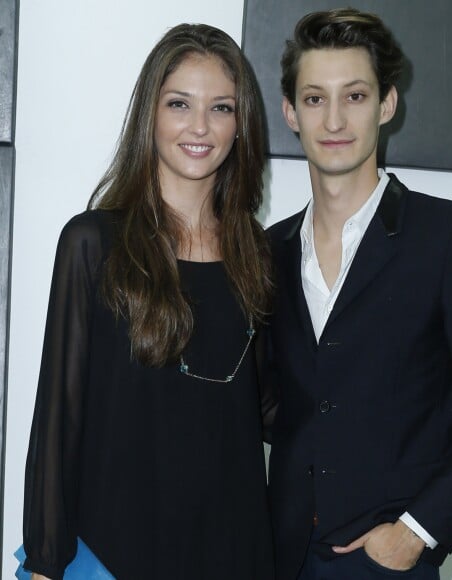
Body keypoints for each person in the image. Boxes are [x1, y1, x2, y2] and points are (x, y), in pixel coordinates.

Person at [265, 8, 452, 580]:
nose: (335, 118)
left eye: (356, 96)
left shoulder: (450, 237)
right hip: (276, 556)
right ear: (291, 112)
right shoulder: (266, 250)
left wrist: (415, 534)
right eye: (315, 98)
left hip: (386, 565)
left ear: (387, 104)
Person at [22, 23, 274, 580]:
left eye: (222, 108)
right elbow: (58, 419)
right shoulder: (92, 242)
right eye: (180, 103)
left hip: (234, 551)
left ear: (242, 124)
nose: (200, 127)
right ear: (150, 115)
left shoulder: (258, 252)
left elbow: (269, 407)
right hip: (115, 552)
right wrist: (44, 563)